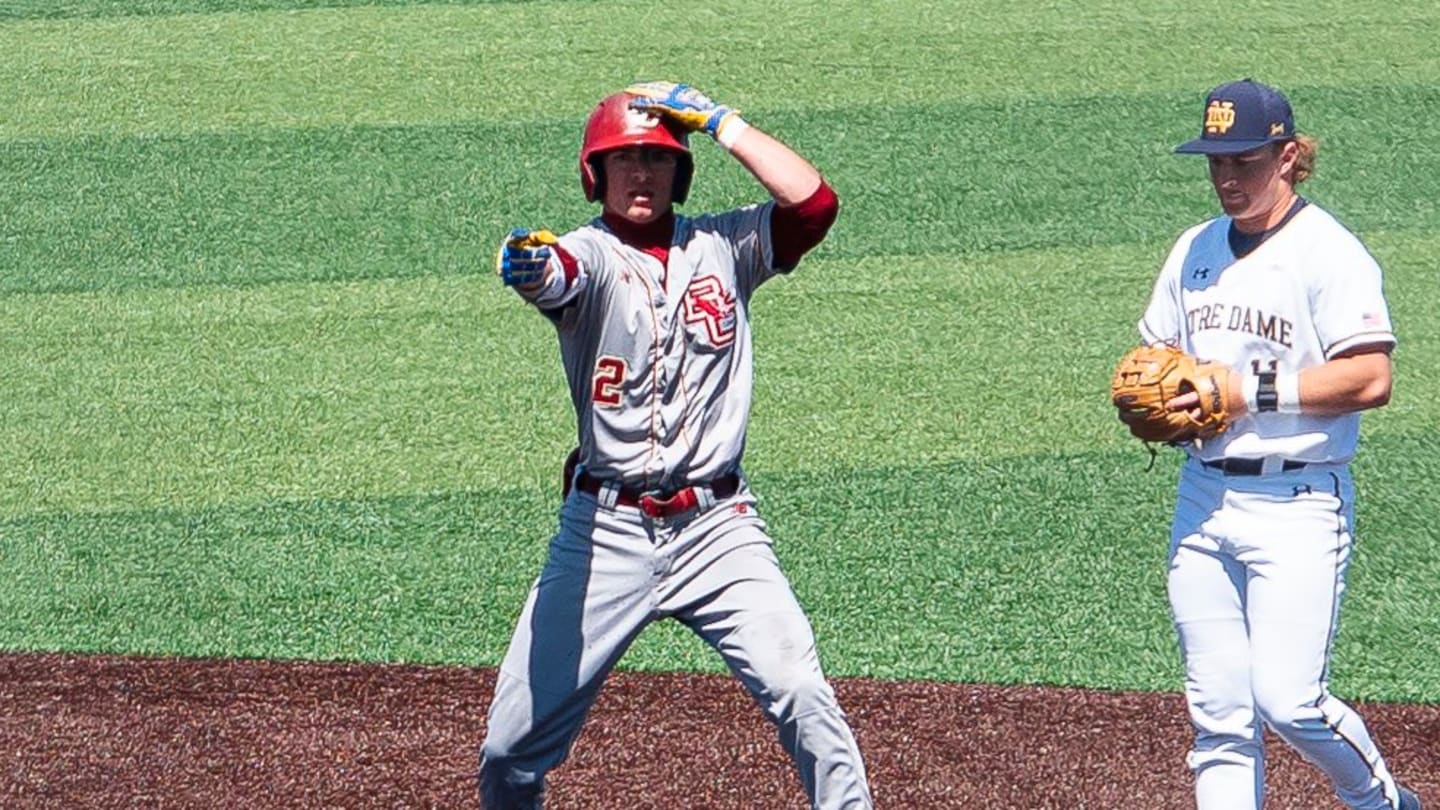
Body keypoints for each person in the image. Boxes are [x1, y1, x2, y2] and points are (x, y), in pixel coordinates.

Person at [479, 82, 874, 810]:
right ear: (595, 173)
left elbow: (815, 204)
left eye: (657, 160)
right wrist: (529, 265)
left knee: (804, 696)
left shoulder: (726, 245)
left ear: (679, 173)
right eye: (623, 159)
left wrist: (724, 124)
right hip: (604, 533)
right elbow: (556, 273)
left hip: (719, 531)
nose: (640, 174)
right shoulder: (589, 255)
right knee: (508, 753)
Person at [1134, 78, 1421, 810]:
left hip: (1297, 503)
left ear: (1288, 155)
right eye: (1216, 164)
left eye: (1245, 162)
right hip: (1203, 498)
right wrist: (1155, 404)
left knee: (1291, 700)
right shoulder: (1193, 249)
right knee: (1220, 717)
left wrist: (1244, 391)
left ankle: (1381, 801)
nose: (1228, 180)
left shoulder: (1328, 252)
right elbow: (1157, 354)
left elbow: (1370, 374)